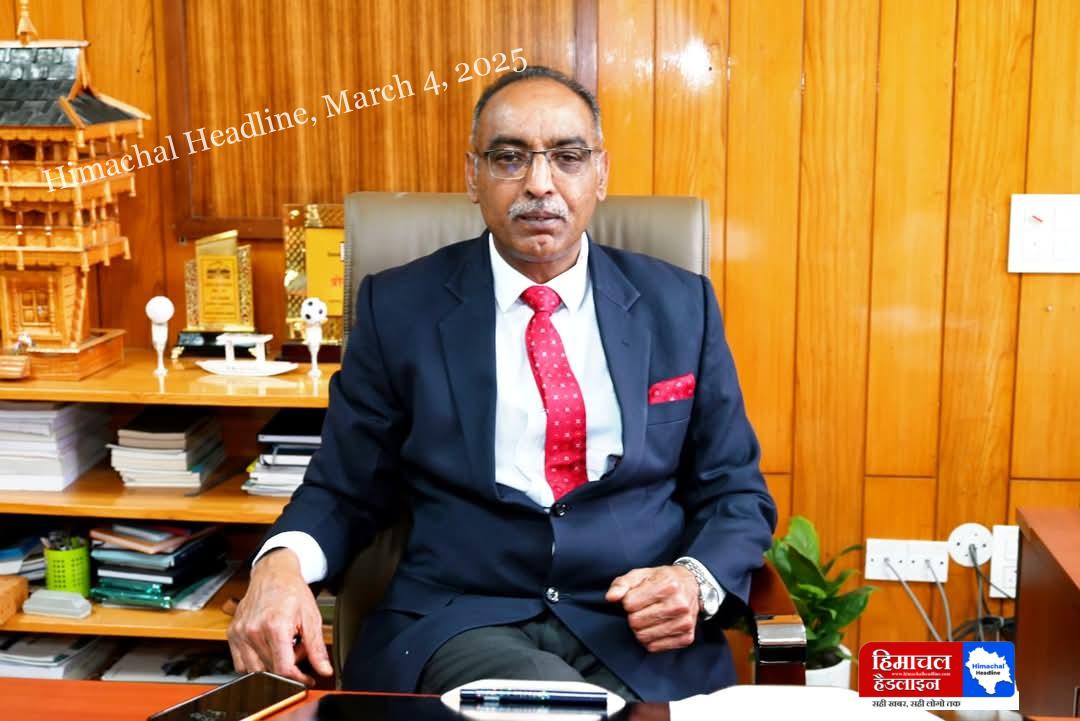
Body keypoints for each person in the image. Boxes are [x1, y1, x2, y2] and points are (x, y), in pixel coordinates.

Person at [227, 66, 776, 703]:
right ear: (473, 176)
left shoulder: (680, 306)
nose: (540, 184)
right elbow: (345, 487)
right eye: (510, 158)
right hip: (463, 619)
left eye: (568, 157)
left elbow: (735, 489)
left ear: (601, 173)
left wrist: (694, 580)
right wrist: (280, 563)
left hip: (636, 629)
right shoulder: (399, 308)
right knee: (551, 711)